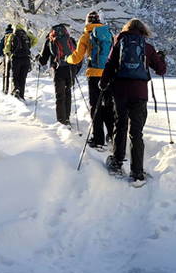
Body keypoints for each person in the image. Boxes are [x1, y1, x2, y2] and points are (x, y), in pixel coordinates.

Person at [99, 18, 166, 182]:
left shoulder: (119, 43)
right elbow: (161, 70)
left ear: (126, 29)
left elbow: (109, 64)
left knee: (120, 125)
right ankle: (137, 172)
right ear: (143, 31)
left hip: (120, 91)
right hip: (139, 93)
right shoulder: (147, 47)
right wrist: (160, 58)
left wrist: (103, 82)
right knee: (136, 132)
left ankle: (117, 162)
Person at [65, 11, 115, 148]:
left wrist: (67, 58)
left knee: (96, 106)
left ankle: (98, 139)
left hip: (94, 75)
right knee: (109, 106)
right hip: (109, 75)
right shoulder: (110, 35)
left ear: (87, 22)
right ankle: (112, 136)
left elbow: (76, 58)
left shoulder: (86, 36)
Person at [38, 23, 78, 125]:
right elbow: (78, 57)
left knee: (60, 96)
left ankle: (61, 121)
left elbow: (43, 60)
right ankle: (67, 119)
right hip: (70, 69)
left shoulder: (50, 40)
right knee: (68, 94)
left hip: (58, 70)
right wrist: (75, 71)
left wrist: (38, 58)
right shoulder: (70, 39)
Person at [6, 24, 36, 100]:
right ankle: (21, 96)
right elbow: (35, 40)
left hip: (16, 59)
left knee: (15, 76)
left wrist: (9, 54)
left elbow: (7, 48)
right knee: (23, 78)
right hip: (26, 59)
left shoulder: (12, 35)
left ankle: (16, 89)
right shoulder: (26, 36)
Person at [0, 24, 13, 93]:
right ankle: (13, 89)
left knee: (6, 73)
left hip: (7, 57)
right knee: (14, 74)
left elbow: (0, 48)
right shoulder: (14, 36)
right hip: (15, 57)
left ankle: (5, 88)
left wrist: (1, 54)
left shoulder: (5, 37)